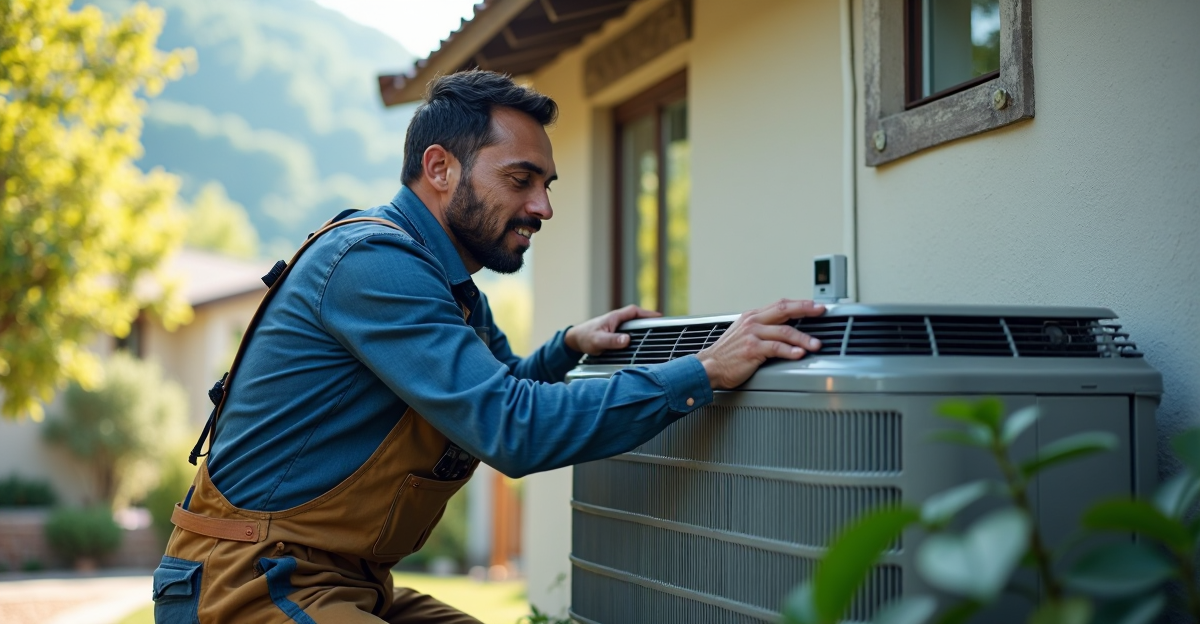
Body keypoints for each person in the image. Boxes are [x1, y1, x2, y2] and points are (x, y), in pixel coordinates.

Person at [152, 70, 826, 624]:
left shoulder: (449, 286)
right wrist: (706, 370)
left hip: (346, 582)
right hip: (248, 583)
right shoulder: (374, 265)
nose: (543, 207)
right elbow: (511, 428)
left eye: (547, 185)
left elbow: (494, 393)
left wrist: (565, 347)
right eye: (519, 179)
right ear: (440, 169)